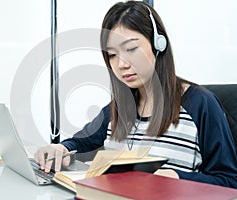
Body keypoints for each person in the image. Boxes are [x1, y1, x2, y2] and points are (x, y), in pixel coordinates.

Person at [35, 1, 237, 188]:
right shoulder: (119, 107)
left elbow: (229, 181)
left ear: (159, 44)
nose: (122, 64)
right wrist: (61, 149)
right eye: (112, 55)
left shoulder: (200, 104)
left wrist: (176, 177)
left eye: (131, 48)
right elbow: (81, 142)